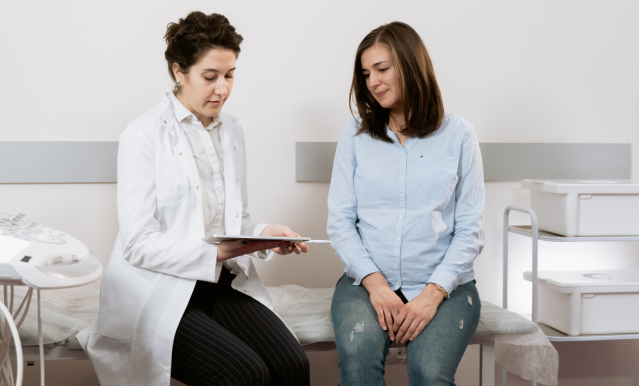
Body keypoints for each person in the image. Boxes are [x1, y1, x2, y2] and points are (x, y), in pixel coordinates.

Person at [82, 11, 310, 386]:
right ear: (178, 71)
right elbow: (138, 244)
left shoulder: (232, 131)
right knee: (245, 375)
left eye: (230, 75)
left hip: (219, 282)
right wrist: (218, 252)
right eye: (210, 77)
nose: (222, 88)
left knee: (292, 366)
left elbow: (234, 221)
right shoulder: (143, 135)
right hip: (159, 290)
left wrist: (267, 233)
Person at [327, 22, 485, 386]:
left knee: (429, 373)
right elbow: (340, 222)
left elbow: (470, 229)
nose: (373, 82)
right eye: (366, 74)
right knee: (358, 367)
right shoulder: (354, 136)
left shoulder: (460, 134)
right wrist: (376, 285)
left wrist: (432, 295)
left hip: (445, 285)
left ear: (412, 65)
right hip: (366, 283)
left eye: (382, 69)